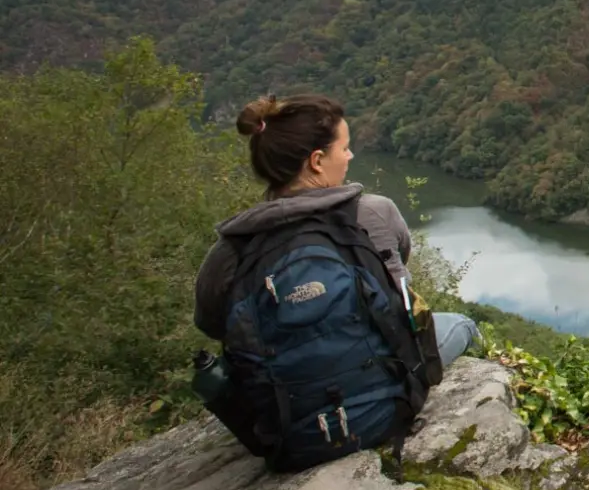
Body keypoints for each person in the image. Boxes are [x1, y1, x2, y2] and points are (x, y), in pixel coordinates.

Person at [191, 93, 477, 469]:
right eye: (344, 147)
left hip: (291, 434)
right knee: (463, 325)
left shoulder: (230, 253)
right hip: (389, 407)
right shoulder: (373, 212)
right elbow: (398, 279)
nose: (351, 156)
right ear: (316, 161)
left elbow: (211, 323)